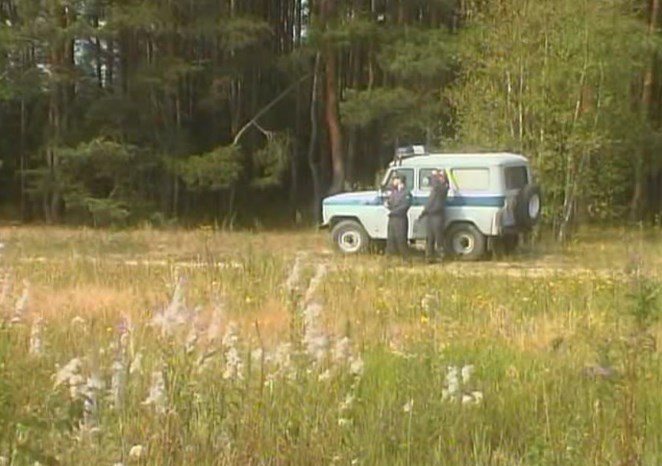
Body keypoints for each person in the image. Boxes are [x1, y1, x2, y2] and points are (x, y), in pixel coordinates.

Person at [419, 169, 449, 263]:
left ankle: (441, 256)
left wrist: (434, 176)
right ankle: (429, 257)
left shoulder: (443, 187)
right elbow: (430, 202)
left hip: (437, 215)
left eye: (441, 176)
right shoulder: (436, 189)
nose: (438, 178)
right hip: (431, 215)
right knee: (429, 238)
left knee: (438, 237)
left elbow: (436, 185)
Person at [385, 175, 412, 259]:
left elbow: (404, 207)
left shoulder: (407, 193)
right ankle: (389, 259)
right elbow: (390, 203)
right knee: (391, 239)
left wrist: (392, 212)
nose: (393, 181)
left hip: (400, 219)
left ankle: (406, 259)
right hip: (392, 219)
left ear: (400, 181)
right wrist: (387, 205)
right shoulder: (394, 192)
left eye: (395, 179)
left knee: (401, 240)